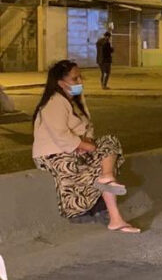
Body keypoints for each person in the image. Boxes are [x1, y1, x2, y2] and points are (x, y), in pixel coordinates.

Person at [32, 60, 140, 233]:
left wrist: (86, 143)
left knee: (109, 144)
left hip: (76, 149)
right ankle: (112, 215)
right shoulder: (54, 102)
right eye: (75, 79)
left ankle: (112, 203)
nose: (80, 82)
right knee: (95, 166)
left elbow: (88, 127)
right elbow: (61, 136)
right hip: (53, 155)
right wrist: (85, 146)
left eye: (80, 77)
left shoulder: (74, 101)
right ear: (61, 83)